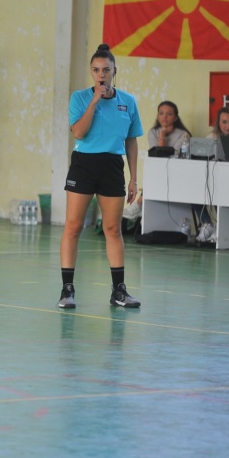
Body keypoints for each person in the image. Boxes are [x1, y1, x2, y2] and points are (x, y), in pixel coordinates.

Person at [59, 43, 142, 310]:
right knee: (73, 226)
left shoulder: (128, 102)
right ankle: (67, 290)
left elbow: (131, 141)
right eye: (96, 70)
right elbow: (78, 133)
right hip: (84, 165)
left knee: (113, 229)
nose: (101, 74)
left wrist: (133, 178)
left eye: (106, 69)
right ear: (91, 72)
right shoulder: (80, 98)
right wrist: (95, 101)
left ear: (114, 71)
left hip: (112, 166)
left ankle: (119, 291)